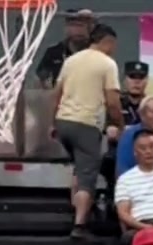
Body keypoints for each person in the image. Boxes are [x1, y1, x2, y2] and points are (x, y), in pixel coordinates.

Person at [52, 22, 122, 234]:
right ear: (107, 42)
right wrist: (120, 125)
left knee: (79, 167)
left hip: (63, 121)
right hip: (86, 124)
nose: (114, 50)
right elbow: (113, 102)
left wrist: (52, 122)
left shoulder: (71, 60)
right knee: (87, 177)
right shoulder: (107, 64)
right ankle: (79, 224)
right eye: (113, 45)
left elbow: (57, 93)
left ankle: (74, 208)